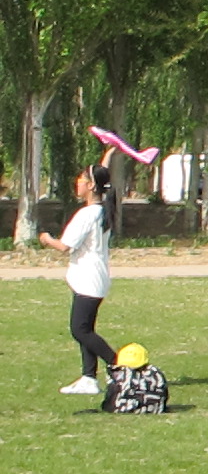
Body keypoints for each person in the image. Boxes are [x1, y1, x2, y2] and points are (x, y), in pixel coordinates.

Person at [39, 149, 120, 395]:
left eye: (82, 179)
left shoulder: (86, 214)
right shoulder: (102, 209)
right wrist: (108, 155)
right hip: (95, 277)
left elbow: (65, 246)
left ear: (92, 186)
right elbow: (102, 175)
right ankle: (89, 378)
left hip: (88, 279)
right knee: (86, 329)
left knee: (80, 330)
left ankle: (118, 365)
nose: (78, 182)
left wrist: (46, 239)